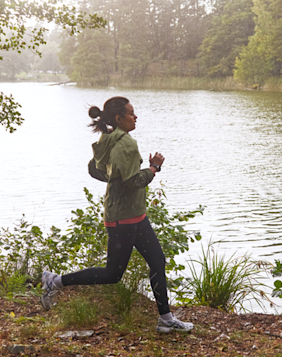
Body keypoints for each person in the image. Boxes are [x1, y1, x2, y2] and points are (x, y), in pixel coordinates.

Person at [41, 96, 194, 333]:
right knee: (112, 274)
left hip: (133, 215)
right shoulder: (126, 144)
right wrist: (154, 168)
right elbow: (134, 182)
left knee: (157, 261)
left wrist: (114, 182)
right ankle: (55, 281)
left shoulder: (107, 139)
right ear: (119, 118)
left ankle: (165, 319)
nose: (135, 117)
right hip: (124, 219)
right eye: (131, 113)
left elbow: (94, 169)